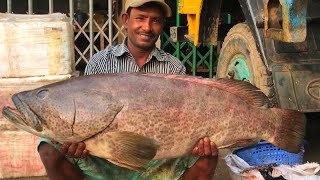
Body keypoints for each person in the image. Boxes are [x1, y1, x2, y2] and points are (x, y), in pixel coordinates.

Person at [38, 0, 219, 179]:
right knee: (48, 148)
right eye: (140, 18)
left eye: (155, 20)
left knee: (208, 156)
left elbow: (183, 118)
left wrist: (199, 141)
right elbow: (87, 116)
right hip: (107, 156)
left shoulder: (174, 68)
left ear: (162, 25)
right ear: (126, 20)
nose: (147, 27)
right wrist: (79, 144)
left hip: (155, 155)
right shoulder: (100, 62)